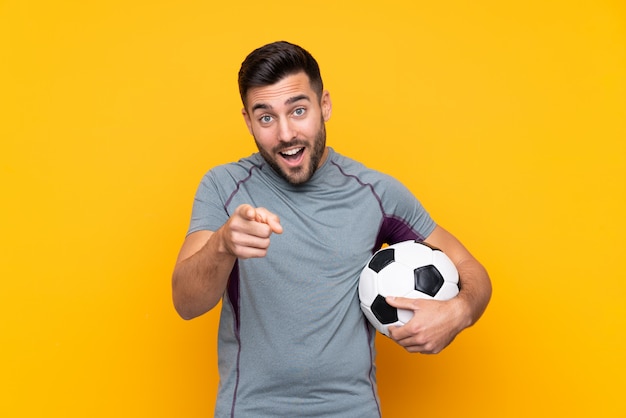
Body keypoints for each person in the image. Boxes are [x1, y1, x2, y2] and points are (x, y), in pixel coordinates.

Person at [172, 41, 492, 418]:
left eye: (299, 110)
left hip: (351, 410)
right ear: (248, 121)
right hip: (250, 409)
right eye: (266, 118)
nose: (286, 133)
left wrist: (459, 312)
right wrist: (222, 245)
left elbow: (472, 271)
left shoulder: (377, 193)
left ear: (325, 105)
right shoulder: (223, 187)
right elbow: (186, 303)